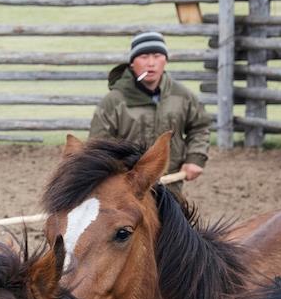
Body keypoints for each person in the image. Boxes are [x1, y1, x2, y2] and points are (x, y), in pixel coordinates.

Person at [89, 32, 211, 195]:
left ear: (165, 60)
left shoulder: (182, 96)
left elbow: (199, 127)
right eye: (144, 57)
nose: (151, 63)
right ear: (132, 63)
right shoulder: (114, 101)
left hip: (170, 183)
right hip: (128, 188)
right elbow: (98, 144)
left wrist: (195, 158)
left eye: (157, 55)